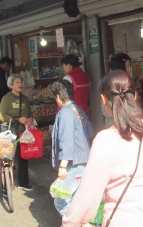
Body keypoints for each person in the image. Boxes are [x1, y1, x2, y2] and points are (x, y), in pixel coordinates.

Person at [62, 70, 143, 227]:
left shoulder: (105, 140)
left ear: (103, 99)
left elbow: (89, 193)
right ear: (134, 96)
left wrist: (71, 223)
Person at [51, 79, 93, 216]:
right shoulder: (78, 110)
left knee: (60, 200)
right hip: (84, 161)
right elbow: (90, 132)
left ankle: (77, 224)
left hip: (73, 165)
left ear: (58, 96)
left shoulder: (65, 113)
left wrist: (63, 165)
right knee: (74, 199)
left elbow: (66, 140)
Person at [0, 74, 33, 191]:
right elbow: (1, 116)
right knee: (8, 158)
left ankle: (23, 183)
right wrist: (17, 119)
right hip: (11, 133)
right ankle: (6, 185)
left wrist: (30, 119)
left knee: (23, 158)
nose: (20, 84)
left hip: (23, 133)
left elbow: (29, 113)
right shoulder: (6, 98)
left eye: (21, 82)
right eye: (17, 82)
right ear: (11, 85)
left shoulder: (25, 99)